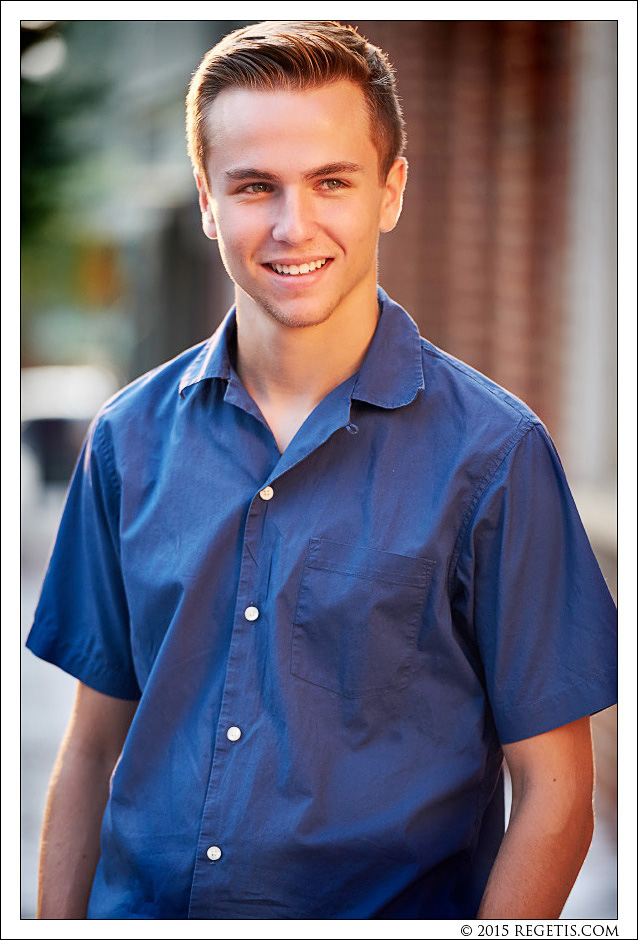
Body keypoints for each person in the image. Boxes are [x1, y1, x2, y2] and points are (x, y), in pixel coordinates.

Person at [27, 21, 617, 920]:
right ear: (207, 200)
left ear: (391, 192)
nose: (292, 225)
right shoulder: (126, 440)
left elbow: (557, 791)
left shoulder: (497, 458)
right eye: (255, 186)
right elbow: (91, 752)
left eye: (331, 182)